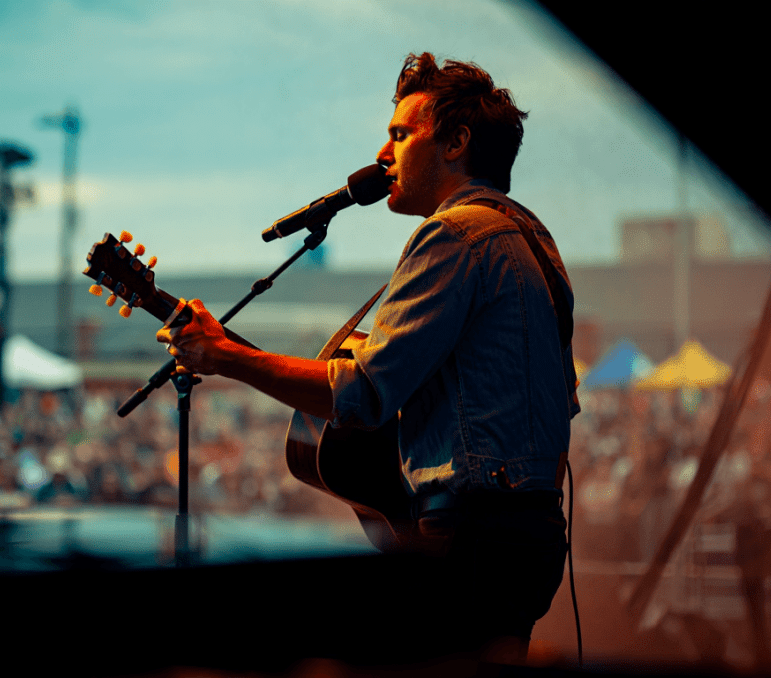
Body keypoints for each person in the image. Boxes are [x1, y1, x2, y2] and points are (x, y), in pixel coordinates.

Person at [157, 52, 580, 664]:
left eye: (401, 135)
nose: (382, 154)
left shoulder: (452, 235)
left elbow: (360, 395)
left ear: (458, 141)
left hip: (470, 534)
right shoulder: (534, 237)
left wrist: (224, 356)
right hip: (530, 534)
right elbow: (547, 400)